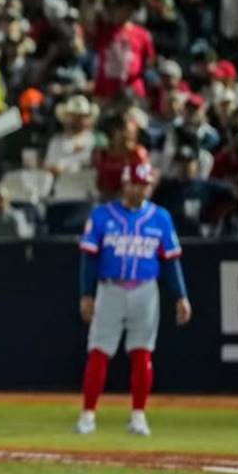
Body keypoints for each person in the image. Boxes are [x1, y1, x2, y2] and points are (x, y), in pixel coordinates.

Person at [76, 162, 192, 437]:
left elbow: (171, 261)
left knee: (142, 352)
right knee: (99, 350)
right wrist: (86, 293)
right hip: (110, 287)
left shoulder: (160, 217)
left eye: (144, 185)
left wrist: (181, 296)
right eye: (135, 184)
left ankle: (138, 415)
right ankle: (88, 414)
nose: (140, 190)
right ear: (125, 184)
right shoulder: (103, 215)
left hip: (145, 289)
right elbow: (88, 258)